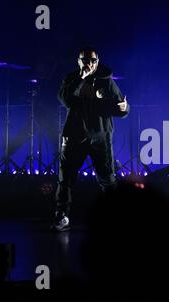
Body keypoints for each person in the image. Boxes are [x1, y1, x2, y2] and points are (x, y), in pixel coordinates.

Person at [52, 47, 129, 231]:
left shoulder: (106, 81)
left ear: (98, 61)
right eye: (85, 60)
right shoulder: (71, 79)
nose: (90, 64)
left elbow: (122, 109)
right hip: (74, 136)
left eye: (93, 61)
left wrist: (124, 108)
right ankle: (62, 216)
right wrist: (82, 78)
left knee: (108, 179)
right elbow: (65, 99)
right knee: (66, 179)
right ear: (79, 61)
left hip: (100, 137)